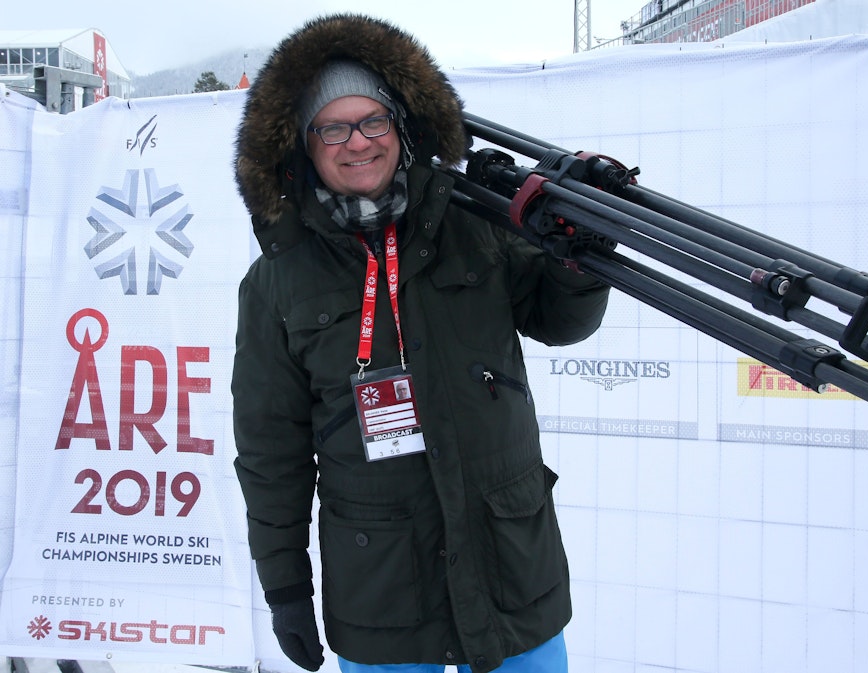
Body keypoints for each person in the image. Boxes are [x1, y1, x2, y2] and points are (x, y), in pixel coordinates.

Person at [231, 13, 610, 673]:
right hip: (382, 588)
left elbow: (561, 320)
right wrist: (285, 584)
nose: (357, 143)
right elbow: (272, 453)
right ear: (304, 144)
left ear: (401, 128)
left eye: (373, 120)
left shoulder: (474, 224)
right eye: (333, 127)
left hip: (510, 570)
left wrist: (578, 263)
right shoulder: (277, 281)